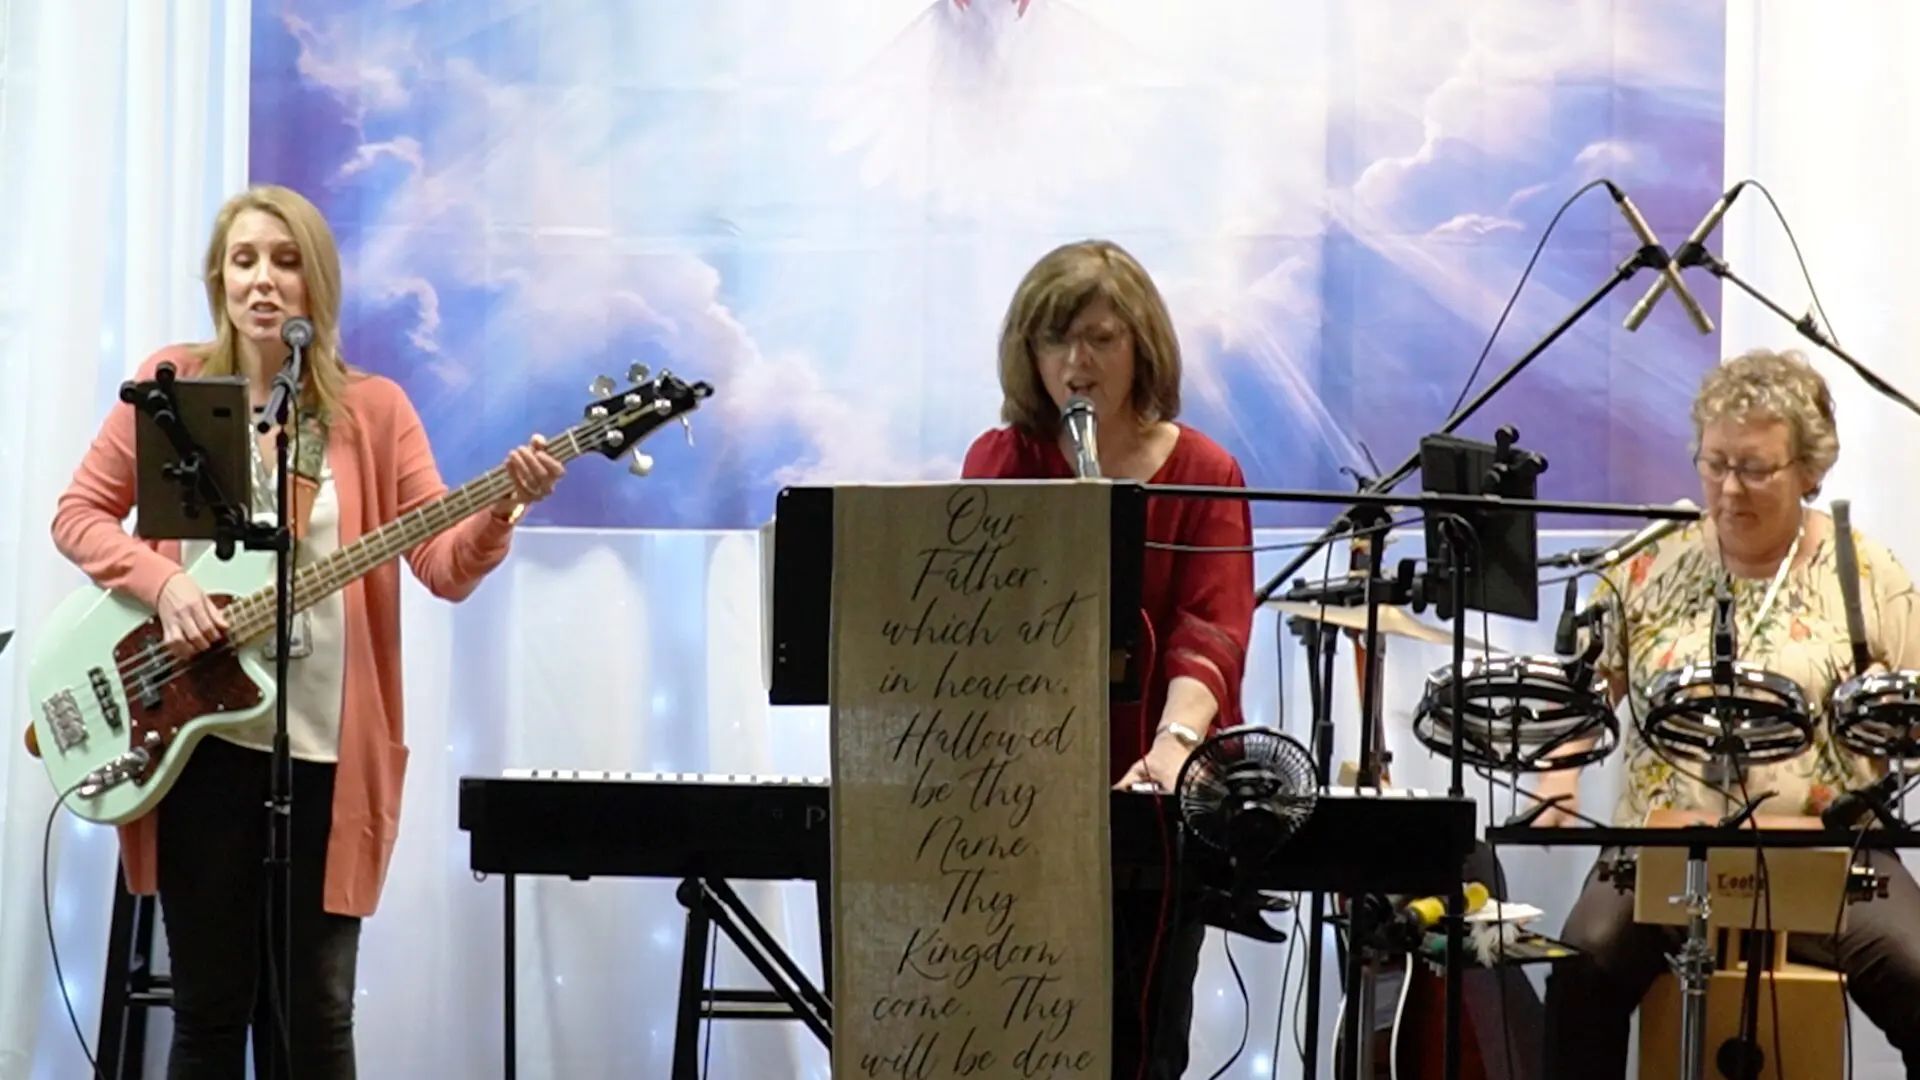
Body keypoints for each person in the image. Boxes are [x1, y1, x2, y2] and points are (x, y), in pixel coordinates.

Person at [50, 185, 565, 1079]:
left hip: (325, 756)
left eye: (286, 262)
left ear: (317, 282)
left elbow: (440, 564)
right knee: (208, 1017)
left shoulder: (374, 409)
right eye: (245, 260)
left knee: (316, 1026)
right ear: (220, 277)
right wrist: (165, 581)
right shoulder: (174, 388)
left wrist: (502, 511)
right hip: (193, 749)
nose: (263, 281)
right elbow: (79, 515)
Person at [1535, 349, 1920, 1078]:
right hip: (1664, 856)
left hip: (1831, 855)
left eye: (1755, 468)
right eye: (1714, 464)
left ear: (1810, 470)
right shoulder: (1647, 567)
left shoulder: (1864, 571)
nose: (1729, 489)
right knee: (1583, 968)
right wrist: (1556, 781)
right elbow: (1583, 698)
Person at [961, 239, 1255, 1080]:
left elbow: (1213, 631)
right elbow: (975, 633)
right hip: (1018, 805)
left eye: (1100, 339)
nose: (1076, 364)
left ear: (1143, 347)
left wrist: (1169, 752)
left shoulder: (1205, 470)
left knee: (1141, 1044)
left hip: (1154, 797)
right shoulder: (1001, 462)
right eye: (1055, 341)